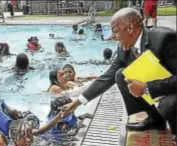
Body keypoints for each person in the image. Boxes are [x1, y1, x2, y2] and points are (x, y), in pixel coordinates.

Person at [61, 8, 176, 137]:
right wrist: (77, 102)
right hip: (160, 87)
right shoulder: (124, 48)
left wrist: (146, 87)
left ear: (130, 28)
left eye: (115, 30)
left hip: (172, 90)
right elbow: (107, 77)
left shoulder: (165, 39)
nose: (113, 36)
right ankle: (155, 120)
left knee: (169, 103)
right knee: (120, 75)